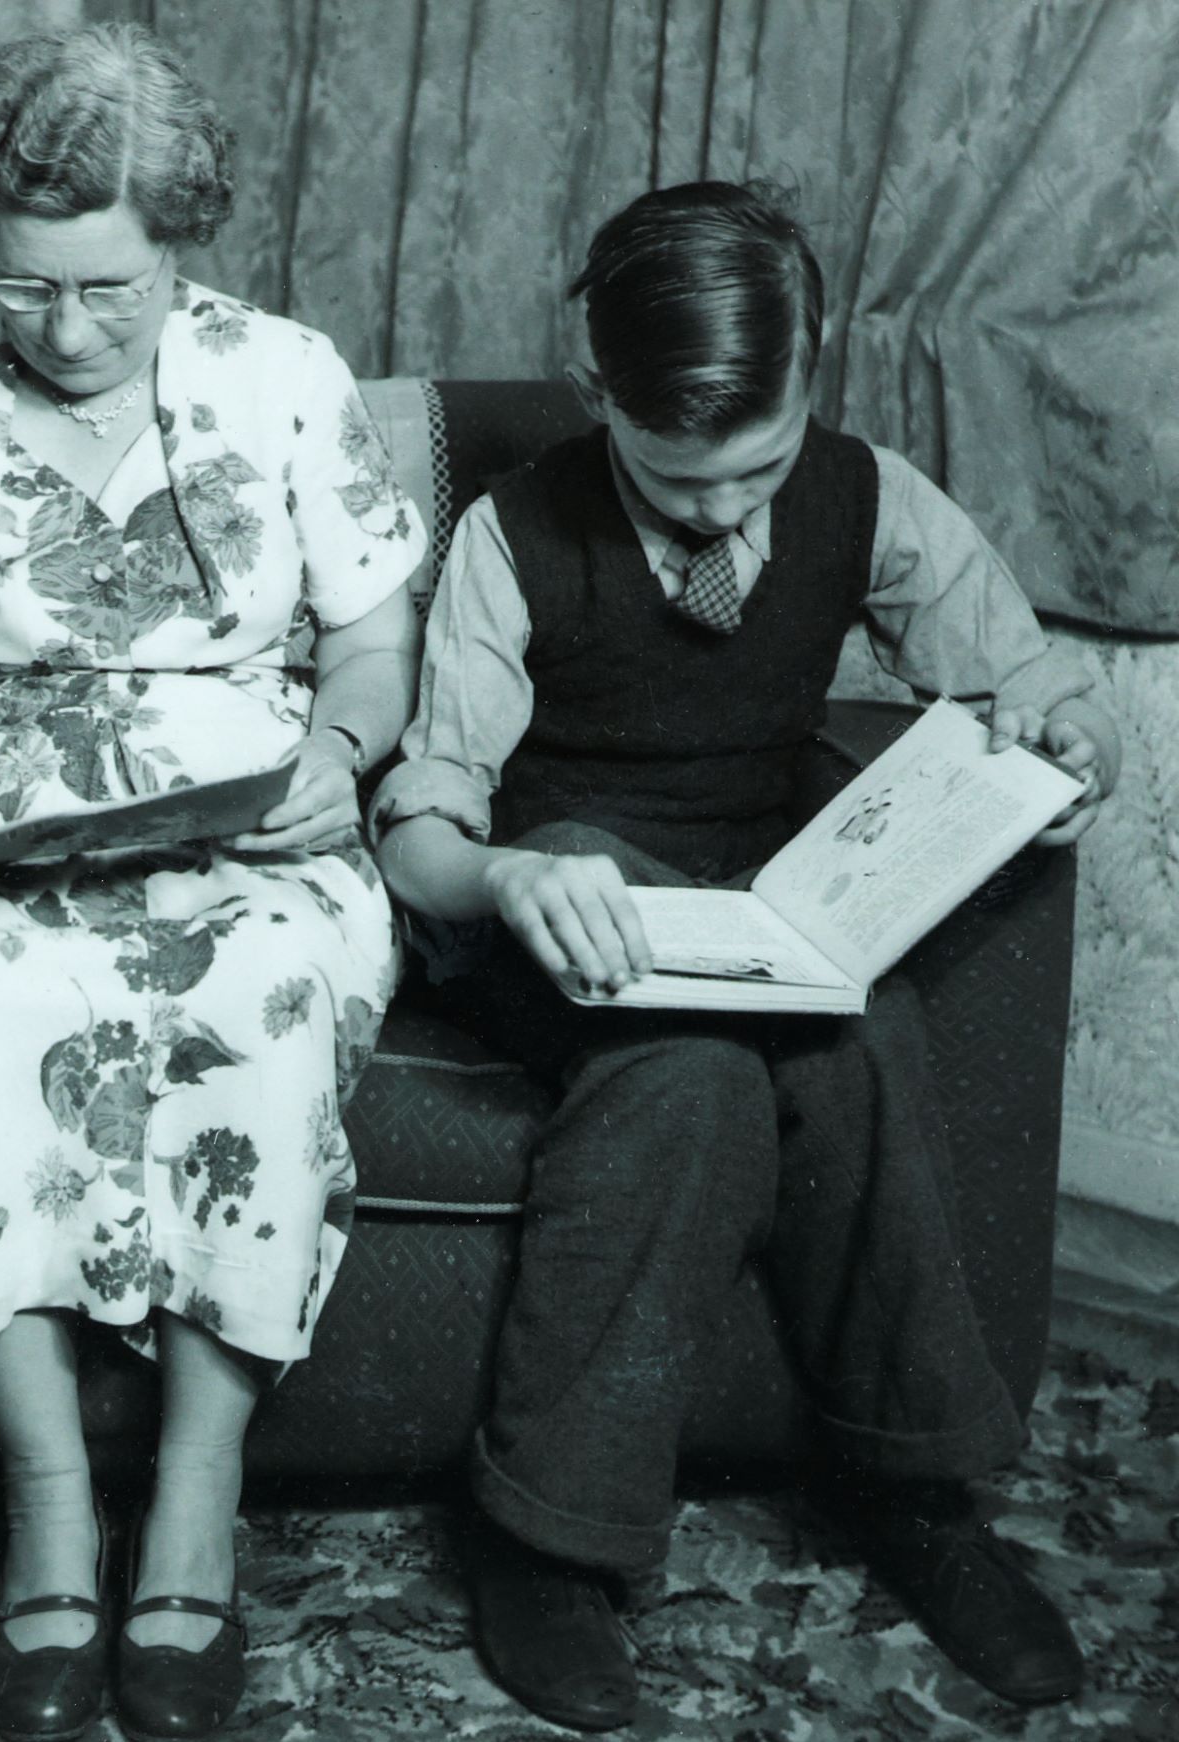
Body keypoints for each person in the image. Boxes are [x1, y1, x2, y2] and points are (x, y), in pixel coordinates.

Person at [372, 181, 1121, 1734]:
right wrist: (508, 871)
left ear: (815, 370)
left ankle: (915, 1490)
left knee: (854, 1043)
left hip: (771, 896)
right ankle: (546, 1542)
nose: (719, 512)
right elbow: (422, 827)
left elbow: (1032, 681)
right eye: (673, 477)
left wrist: (1062, 734)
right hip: (563, 904)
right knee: (684, 1069)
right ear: (600, 395)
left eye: (758, 467)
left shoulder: (873, 493)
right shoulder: (512, 534)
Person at [0, 25, 423, 1742]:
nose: (64, 326)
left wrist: (337, 762)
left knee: (259, 992)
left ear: (182, 237)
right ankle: (50, 1501)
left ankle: (195, 1499)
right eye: (26, 283)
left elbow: (370, 634)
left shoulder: (287, 373)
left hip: (251, 818)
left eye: (107, 289)